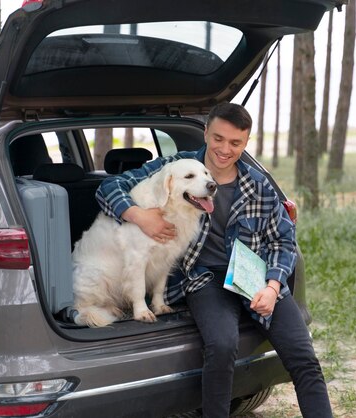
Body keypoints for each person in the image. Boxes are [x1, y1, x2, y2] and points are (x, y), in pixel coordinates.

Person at [96, 102, 333, 418]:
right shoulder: (179, 167)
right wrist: (139, 215)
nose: (225, 149)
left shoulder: (259, 185)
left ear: (245, 143)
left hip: (256, 276)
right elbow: (110, 185)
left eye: (235, 143)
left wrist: (273, 287)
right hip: (205, 279)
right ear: (206, 132)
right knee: (221, 348)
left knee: (303, 357)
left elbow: (283, 241)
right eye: (218, 138)